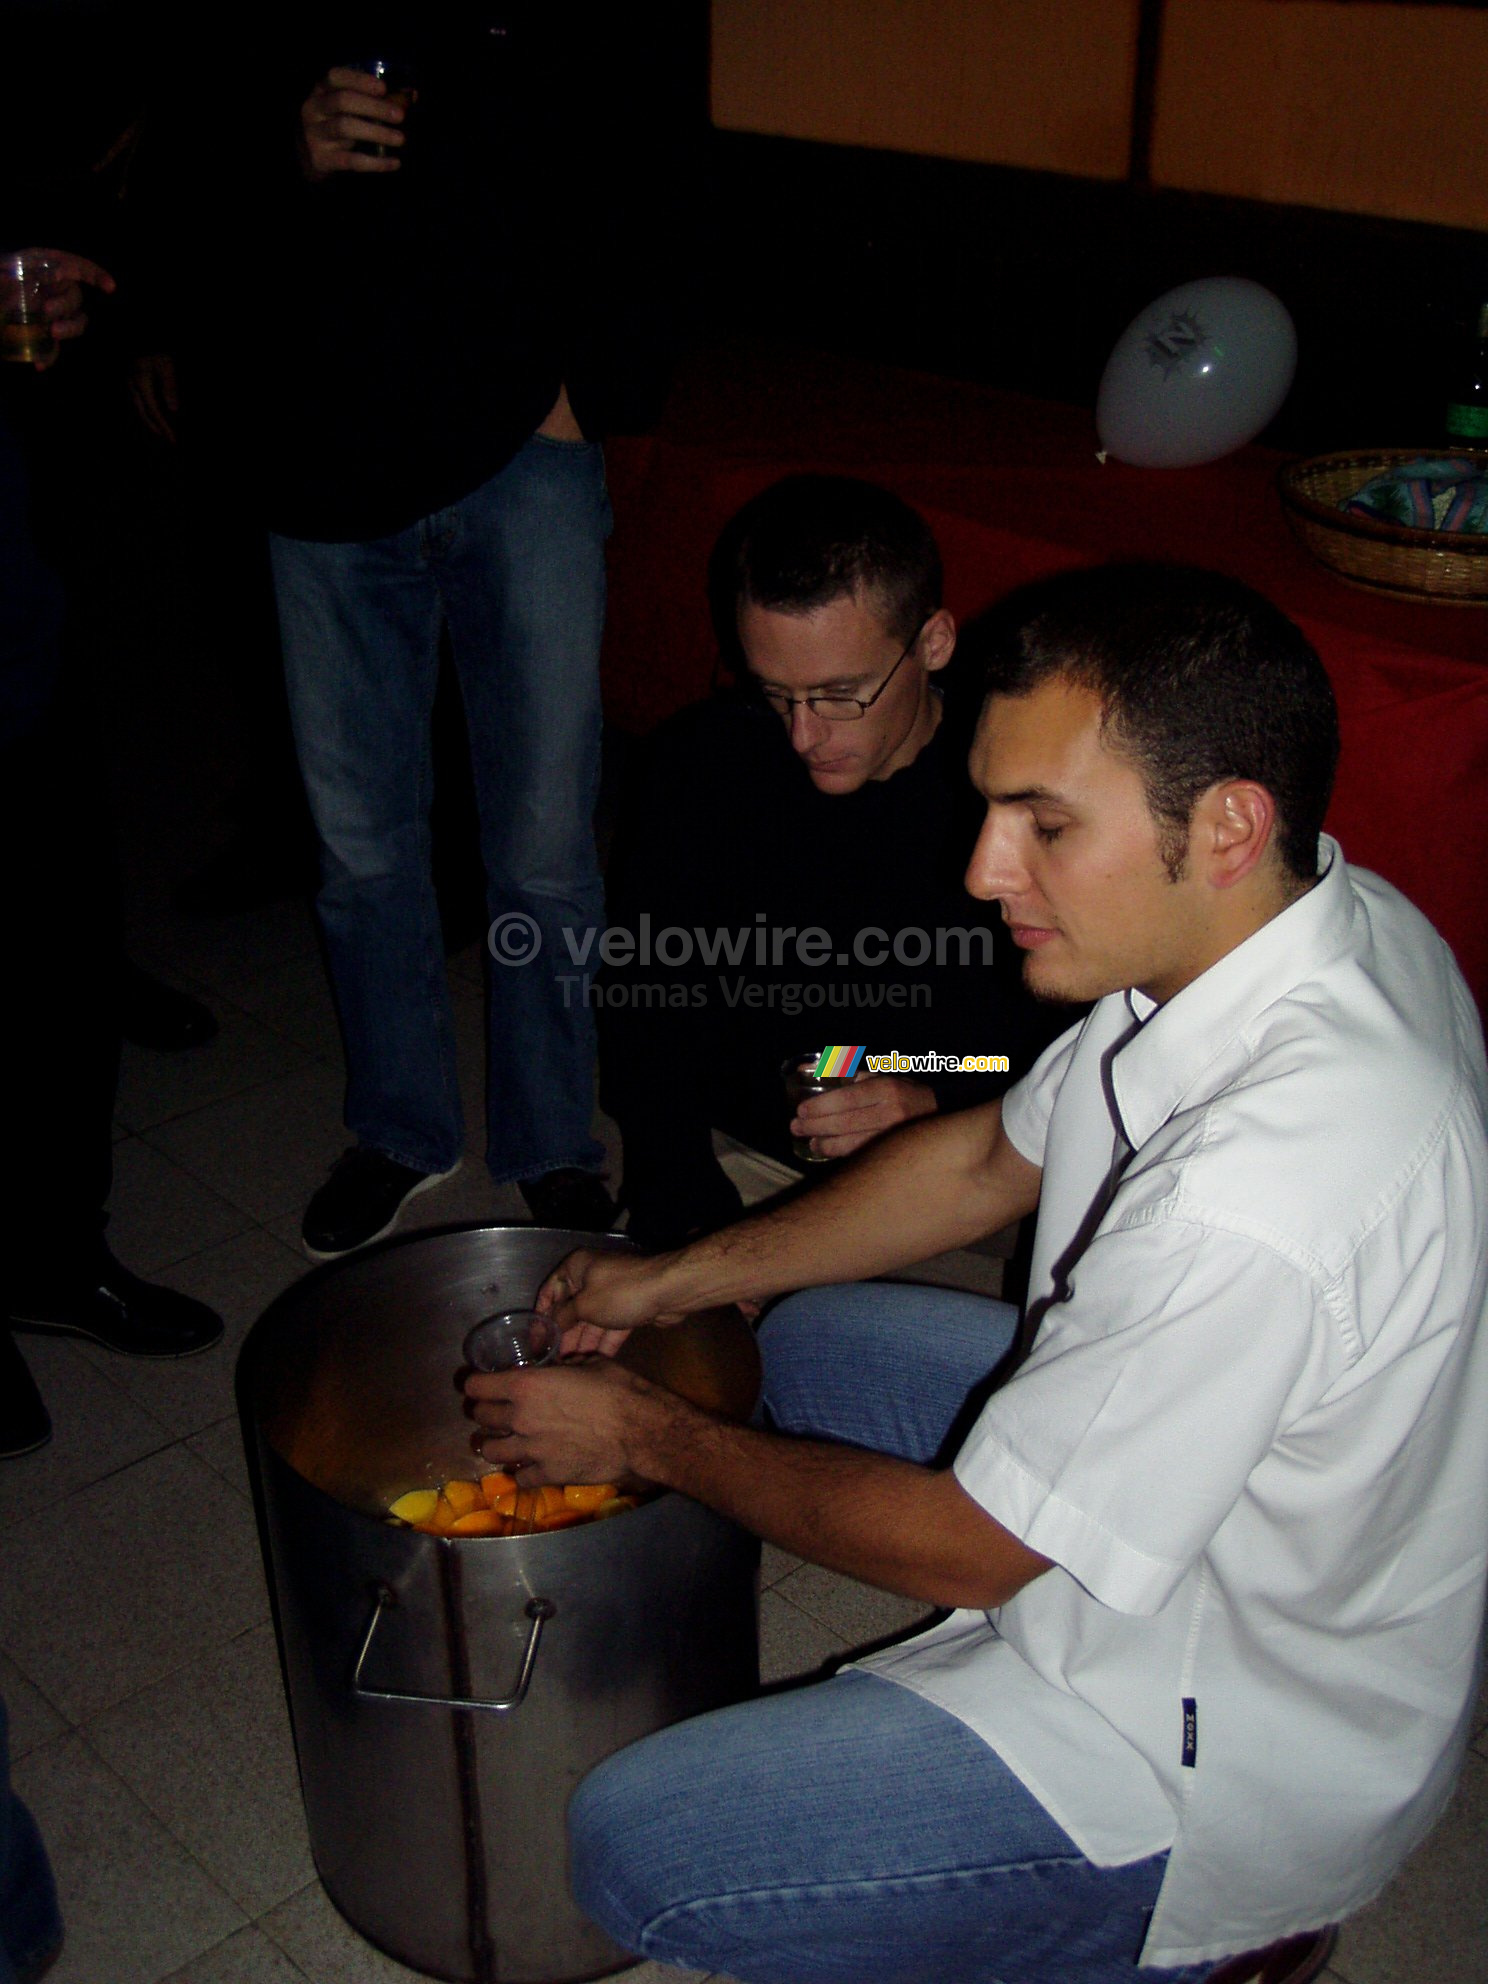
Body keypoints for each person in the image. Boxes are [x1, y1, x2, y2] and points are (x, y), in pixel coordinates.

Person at [466, 564, 1488, 1982]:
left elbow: (979, 1547)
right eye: (994, 805)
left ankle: (1203, 1941)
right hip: (1261, 1510)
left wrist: (650, 1433)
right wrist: (674, 1279)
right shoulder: (1306, 918)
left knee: (635, 1849)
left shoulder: (1257, 1191)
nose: (983, 869)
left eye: (1044, 825)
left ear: (1229, 824)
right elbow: (979, 1164)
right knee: (810, 1347)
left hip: (1223, 1735)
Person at [258, 7, 700, 1259]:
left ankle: (554, 1136)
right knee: (361, 845)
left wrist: (595, 388)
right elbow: (184, 165)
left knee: (548, 843)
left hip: (526, 439)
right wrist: (283, 153)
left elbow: (654, 153)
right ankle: (402, 1127)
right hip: (324, 444)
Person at [600, 474, 1066, 1248]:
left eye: (840, 695)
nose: (802, 736)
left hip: (958, 1127)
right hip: (751, 1132)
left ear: (933, 643)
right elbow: (646, 997)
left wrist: (941, 1096)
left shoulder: (1014, 792)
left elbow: (1062, 1042)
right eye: (776, 692)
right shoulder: (703, 762)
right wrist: (679, 1187)